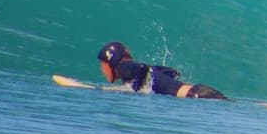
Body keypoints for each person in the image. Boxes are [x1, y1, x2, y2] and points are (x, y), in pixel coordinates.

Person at [97, 41, 227, 100]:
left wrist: (138, 90)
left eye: (102, 64)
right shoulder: (129, 70)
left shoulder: (123, 67)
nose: (102, 69)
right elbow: (167, 72)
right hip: (199, 91)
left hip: (196, 95)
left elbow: (142, 69)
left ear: (111, 61)